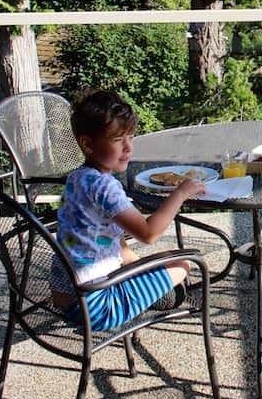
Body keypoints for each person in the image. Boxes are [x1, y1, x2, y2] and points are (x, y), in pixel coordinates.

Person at [52, 89, 206, 330]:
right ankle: (159, 293)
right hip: (96, 305)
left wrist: (144, 265)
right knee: (183, 263)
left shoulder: (77, 179)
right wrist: (180, 193)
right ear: (88, 144)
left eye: (131, 137)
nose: (128, 148)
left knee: (152, 261)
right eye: (117, 140)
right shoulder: (104, 186)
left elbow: (116, 243)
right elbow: (148, 234)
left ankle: (155, 289)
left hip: (64, 297)